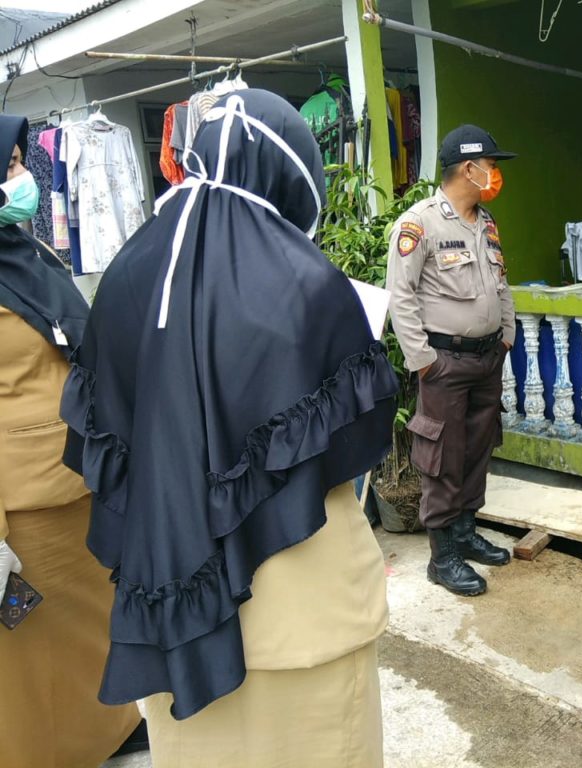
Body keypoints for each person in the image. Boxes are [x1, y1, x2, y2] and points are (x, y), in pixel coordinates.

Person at [60, 90, 399, 767]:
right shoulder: (308, 283)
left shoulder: (126, 273)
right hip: (303, 609)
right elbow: (357, 435)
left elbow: (109, 445)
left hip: (167, 613)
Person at [0, 115, 141, 768]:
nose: (22, 178)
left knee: (92, 632)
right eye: (10, 167)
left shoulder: (21, 251)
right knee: (37, 662)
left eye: (18, 163)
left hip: (78, 479)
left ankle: (110, 726)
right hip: (23, 513)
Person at [386, 124, 517, 596]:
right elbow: (399, 296)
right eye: (491, 165)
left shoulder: (485, 223)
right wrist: (423, 361)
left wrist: (506, 336)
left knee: (477, 449)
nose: (495, 174)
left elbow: (502, 284)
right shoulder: (419, 224)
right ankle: (442, 558)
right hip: (444, 362)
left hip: (487, 359)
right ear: (468, 168)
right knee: (442, 457)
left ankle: (464, 533)